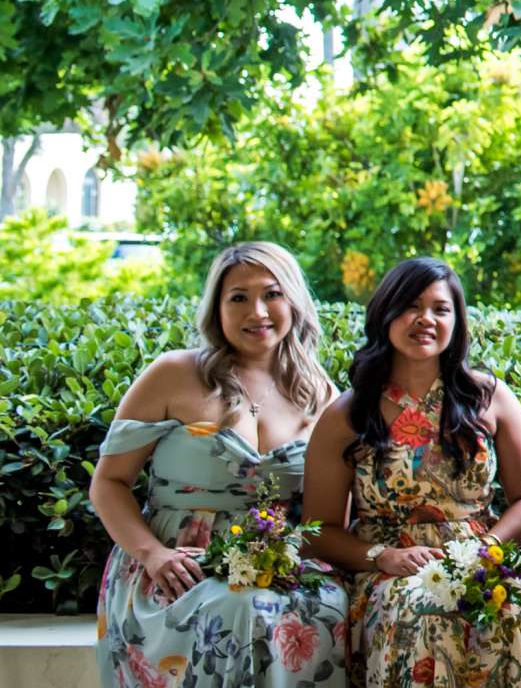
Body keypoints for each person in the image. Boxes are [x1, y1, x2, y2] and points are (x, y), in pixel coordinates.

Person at [90, 241, 349, 688]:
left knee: (328, 604)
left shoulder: (321, 394)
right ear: (217, 310)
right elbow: (108, 483)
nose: (258, 311)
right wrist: (154, 555)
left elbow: (329, 517)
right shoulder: (172, 374)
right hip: (174, 566)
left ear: (293, 301)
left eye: (272, 294)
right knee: (241, 609)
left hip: (277, 565)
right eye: (238, 298)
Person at [301, 257, 521, 688]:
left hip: (478, 561)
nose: (425, 319)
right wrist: (381, 558)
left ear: (457, 320)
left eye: (440, 309)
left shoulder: (491, 398)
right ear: (385, 314)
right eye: (411, 306)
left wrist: (486, 549)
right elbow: (317, 529)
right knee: (424, 607)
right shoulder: (347, 414)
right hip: (389, 573)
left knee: (502, 606)